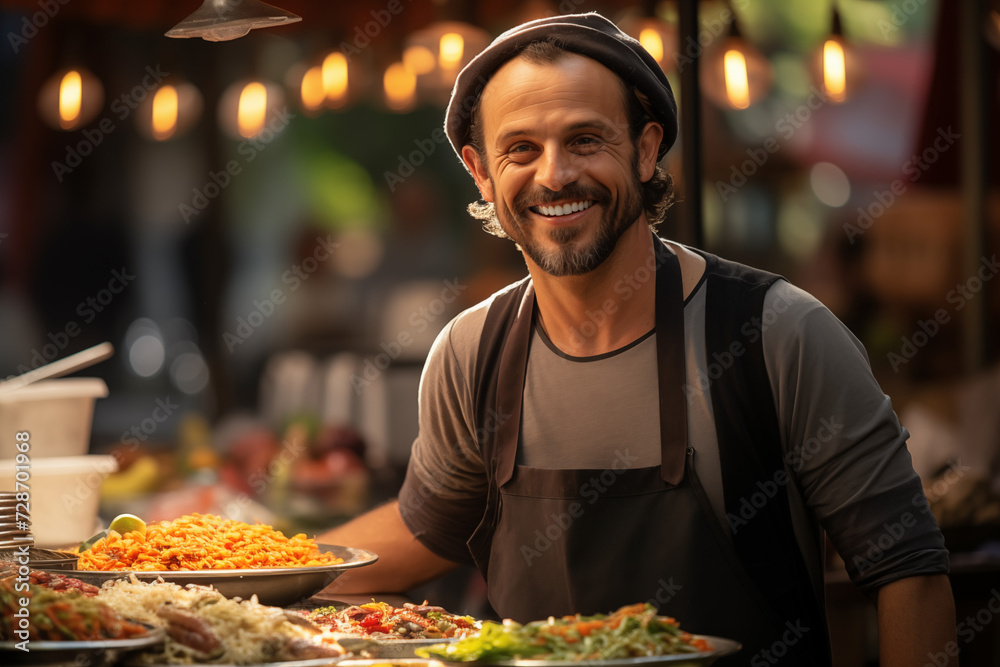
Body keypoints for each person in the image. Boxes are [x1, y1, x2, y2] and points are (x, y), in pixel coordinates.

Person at [319, 12, 956, 666]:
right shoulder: (470, 352)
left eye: (586, 139)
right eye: (521, 149)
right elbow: (428, 529)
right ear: (480, 173)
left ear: (646, 149)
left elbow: (908, 570)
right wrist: (243, 573)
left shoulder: (777, 334)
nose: (554, 175)